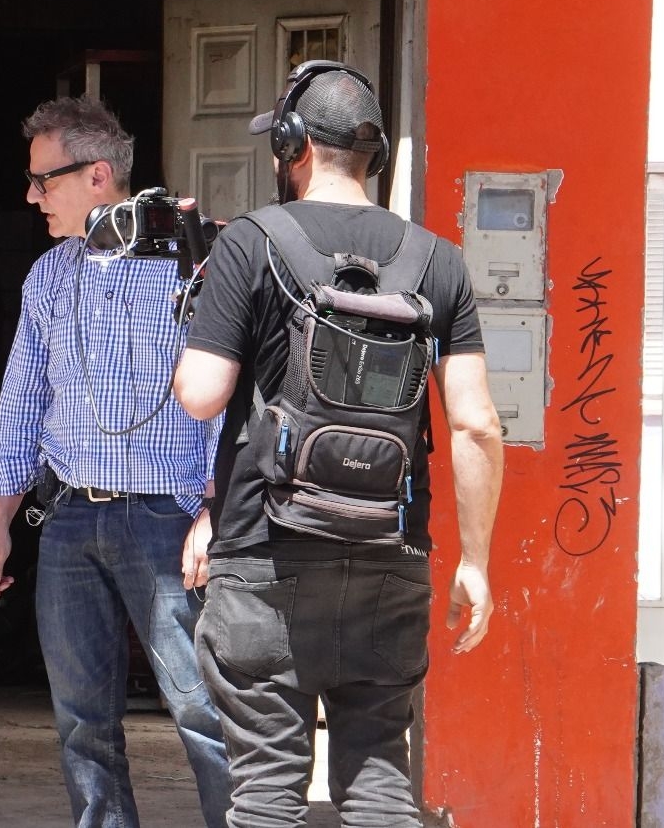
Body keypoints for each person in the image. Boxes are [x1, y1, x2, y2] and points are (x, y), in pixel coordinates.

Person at [173, 61, 505, 827]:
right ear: (374, 155)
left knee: (266, 792)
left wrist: (200, 313)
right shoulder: (438, 261)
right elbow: (478, 424)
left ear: (292, 145)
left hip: (265, 554)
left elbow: (200, 394)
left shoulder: (250, 243)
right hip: (392, 555)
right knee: (381, 777)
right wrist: (476, 562)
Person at [0, 95, 231, 828]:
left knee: (201, 709)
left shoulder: (194, 264)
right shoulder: (48, 277)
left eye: (42, 180)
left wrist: (212, 512)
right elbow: (21, 402)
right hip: (68, 520)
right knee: (82, 722)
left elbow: (225, 397)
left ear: (96, 176)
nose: (31, 196)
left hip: (167, 520)